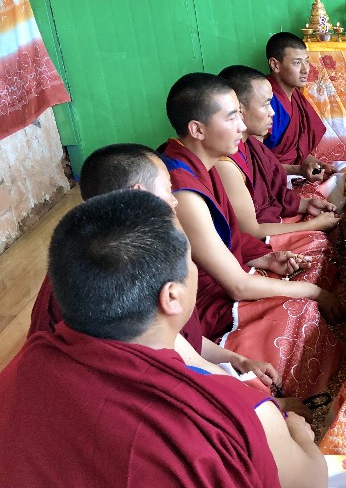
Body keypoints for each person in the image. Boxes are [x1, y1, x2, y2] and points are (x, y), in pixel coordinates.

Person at [0, 190, 346, 488]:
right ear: (172, 297)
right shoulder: (232, 413)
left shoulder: (22, 370)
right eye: (191, 262)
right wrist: (297, 431)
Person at [27, 143, 281, 391]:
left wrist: (239, 361)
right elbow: (156, 370)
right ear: (139, 194)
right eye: (168, 189)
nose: (175, 200)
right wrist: (263, 407)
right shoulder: (112, 275)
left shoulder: (128, 251)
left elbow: (179, 341)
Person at [161, 73, 341, 340]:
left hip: (227, 273)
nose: (241, 126)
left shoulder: (201, 164)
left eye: (240, 115)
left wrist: (264, 259)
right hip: (201, 302)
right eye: (231, 118)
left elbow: (224, 238)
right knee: (300, 315)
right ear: (197, 130)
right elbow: (237, 286)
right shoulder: (183, 191)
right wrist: (315, 293)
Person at [216, 64, 339, 238]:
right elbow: (250, 231)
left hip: (269, 220)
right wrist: (313, 225)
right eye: (266, 104)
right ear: (239, 110)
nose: (272, 112)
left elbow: (269, 187)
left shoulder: (251, 144)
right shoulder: (225, 161)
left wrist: (306, 205)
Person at [265, 31, 335, 182]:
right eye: (297, 63)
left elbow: (295, 152)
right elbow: (254, 161)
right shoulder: (263, 101)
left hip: (294, 174)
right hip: (270, 181)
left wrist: (317, 164)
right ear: (275, 65)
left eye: (307, 61)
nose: (305, 70)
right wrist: (298, 170)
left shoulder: (295, 96)